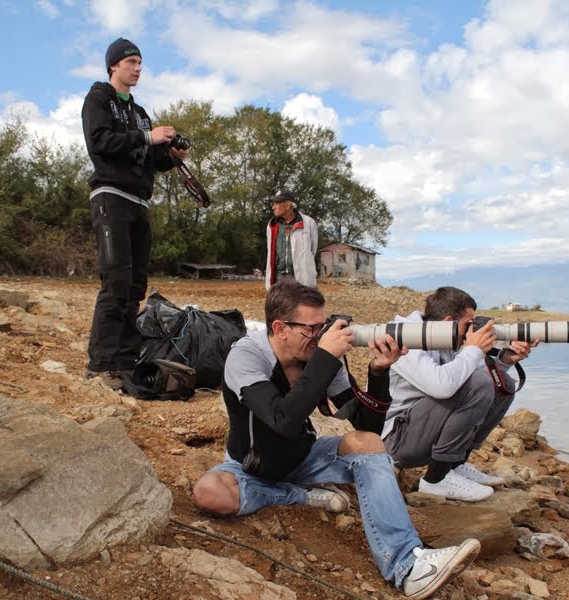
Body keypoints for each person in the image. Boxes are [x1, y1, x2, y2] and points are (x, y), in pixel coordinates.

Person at [192, 280, 481, 599]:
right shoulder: (246, 356)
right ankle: (291, 495)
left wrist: (379, 371)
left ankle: (407, 565)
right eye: (312, 328)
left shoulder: (319, 357)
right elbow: (282, 420)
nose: (321, 336)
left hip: (304, 457)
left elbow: (367, 424)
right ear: (280, 327)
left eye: (324, 326)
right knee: (208, 493)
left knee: (369, 444)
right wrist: (326, 357)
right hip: (251, 465)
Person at [81, 38, 189, 389]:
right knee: (114, 281)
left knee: (134, 285)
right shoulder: (98, 99)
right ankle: (100, 365)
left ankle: (124, 362)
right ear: (114, 66)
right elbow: (101, 142)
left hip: (139, 202)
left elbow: (152, 160)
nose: (138, 68)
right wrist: (147, 136)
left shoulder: (140, 113)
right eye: (131, 62)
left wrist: (171, 154)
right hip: (111, 195)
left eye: (141, 62)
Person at [382, 286, 537, 502]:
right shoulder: (406, 337)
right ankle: (436, 479)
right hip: (398, 441)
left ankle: (454, 465)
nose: (470, 331)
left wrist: (505, 360)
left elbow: (469, 381)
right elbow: (442, 386)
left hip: (421, 431)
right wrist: (473, 350)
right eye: (468, 324)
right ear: (448, 322)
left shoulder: (443, 338)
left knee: (503, 384)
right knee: (480, 381)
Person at [264, 190, 318, 290]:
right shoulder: (272, 225)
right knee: (280, 305)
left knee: (301, 304)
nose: (273, 207)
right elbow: (270, 251)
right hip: (279, 278)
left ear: (288, 205)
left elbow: (312, 250)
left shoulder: (309, 223)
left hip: (300, 278)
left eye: (276, 203)